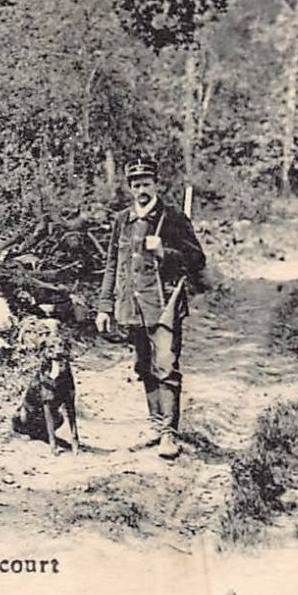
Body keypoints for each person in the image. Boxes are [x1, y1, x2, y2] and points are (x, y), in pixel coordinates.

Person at [95, 156, 206, 460]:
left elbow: (197, 260)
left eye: (146, 183)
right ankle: (156, 427)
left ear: (156, 184)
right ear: (130, 188)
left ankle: (169, 434)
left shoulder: (173, 219)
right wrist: (105, 306)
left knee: (166, 366)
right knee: (144, 366)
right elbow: (112, 265)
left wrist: (165, 252)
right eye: (136, 184)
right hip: (132, 306)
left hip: (164, 304)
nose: (141, 189)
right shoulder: (122, 221)